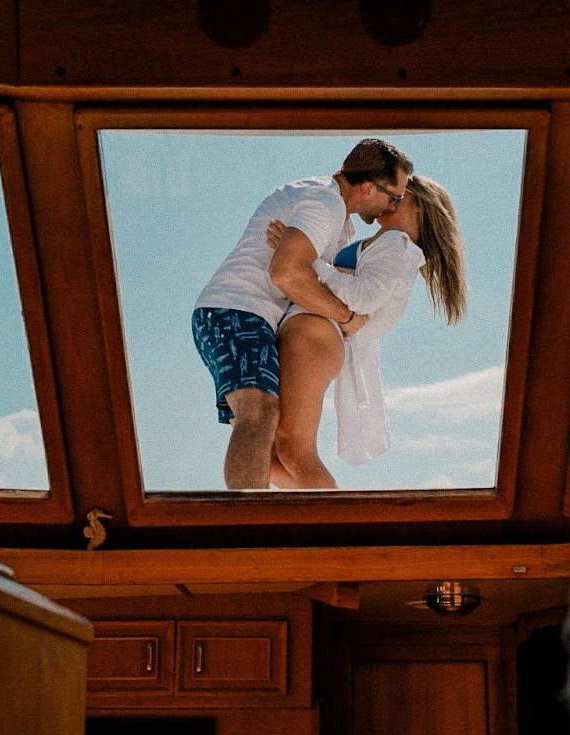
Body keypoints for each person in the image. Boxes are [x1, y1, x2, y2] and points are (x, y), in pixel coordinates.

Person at [192, 139, 413, 489]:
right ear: (369, 188)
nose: (393, 205)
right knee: (259, 415)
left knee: (266, 431)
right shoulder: (324, 202)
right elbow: (287, 273)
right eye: (394, 196)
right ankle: (248, 528)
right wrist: (345, 317)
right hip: (238, 310)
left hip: (246, 315)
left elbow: (307, 272)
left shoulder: (331, 210)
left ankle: (322, 524)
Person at [266, 175, 467, 489]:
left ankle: (338, 532)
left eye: (401, 196)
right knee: (270, 454)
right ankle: (318, 523)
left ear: (422, 209)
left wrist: (306, 261)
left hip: (314, 330)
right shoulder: (380, 244)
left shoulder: (399, 246)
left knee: (292, 447)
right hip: (307, 327)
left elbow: (362, 297)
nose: (389, 200)